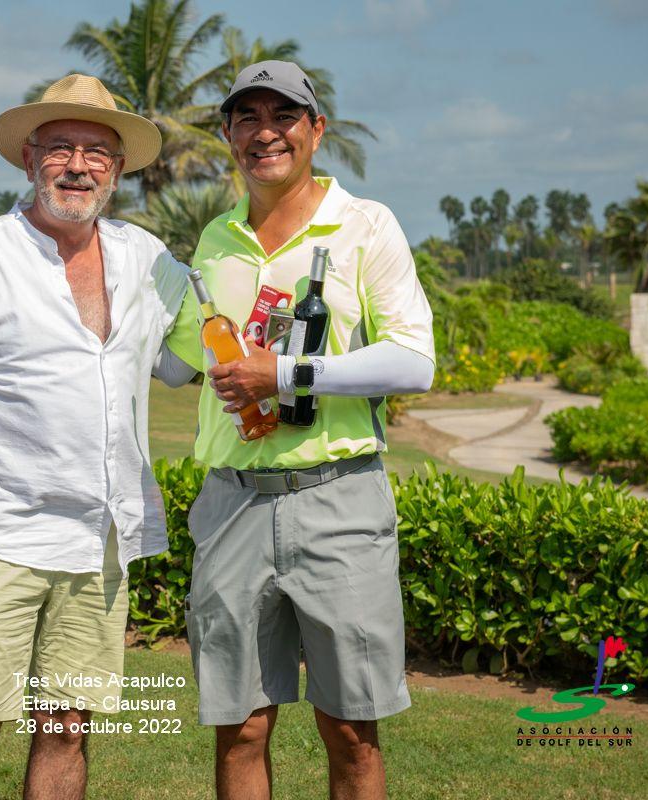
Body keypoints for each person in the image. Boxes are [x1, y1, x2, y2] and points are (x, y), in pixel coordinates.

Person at [0, 74, 190, 800]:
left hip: (101, 540)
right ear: (29, 159)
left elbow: (188, 358)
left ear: (117, 170)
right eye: (60, 149)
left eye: (96, 152)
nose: (78, 166)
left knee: (66, 727)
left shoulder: (149, 260)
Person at [157, 60, 436, 800]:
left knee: (351, 732)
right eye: (246, 118)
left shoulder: (365, 225)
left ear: (316, 129)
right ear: (227, 135)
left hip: (338, 501)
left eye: (283, 115)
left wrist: (282, 374)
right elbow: (175, 363)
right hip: (233, 505)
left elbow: (414, 361)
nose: (265, 132)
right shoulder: (215, 240)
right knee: (241, 728)